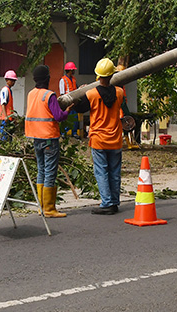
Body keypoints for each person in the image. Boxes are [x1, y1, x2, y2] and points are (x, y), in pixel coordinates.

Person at [71, 57, 131, 215]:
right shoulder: (118, 93)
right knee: (114, 171)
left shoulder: (91, 94)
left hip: (99, 139)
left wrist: (82, 91)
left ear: (98, 76)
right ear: (112, 75)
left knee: (101, 172)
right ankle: (115, 201)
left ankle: (107, 203)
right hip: (115, 138)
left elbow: (79, 108)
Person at [26, 64, 71, 218]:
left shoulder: (31, 94)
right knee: (50, 171)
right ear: (47, 78)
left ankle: (41, 207)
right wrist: (67, 111)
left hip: (36, 137)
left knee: (41, 170)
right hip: (49, 138)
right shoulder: (49, 95)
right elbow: (58, 116)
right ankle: (49, 209)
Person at [58, 61, 79, 137]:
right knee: (66, 117)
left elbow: (76, 88)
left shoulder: (74, 79)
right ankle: (63, 132)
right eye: (73, 70)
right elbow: (62, 93)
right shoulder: (63, 80)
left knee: (75, 117)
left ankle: (74, 132)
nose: (74, 71)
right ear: (70, 70)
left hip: (74, 100)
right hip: (67, 101)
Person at [0, 70, 18, 141]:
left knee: (9, 137)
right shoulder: (5, 90)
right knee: (4, 137)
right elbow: (3, 104)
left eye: (14, 81)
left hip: (9, 118)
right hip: (5, 119)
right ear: (6, 80)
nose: (13, 82)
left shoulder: (9, 90)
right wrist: (6, 116)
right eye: (11, 80)